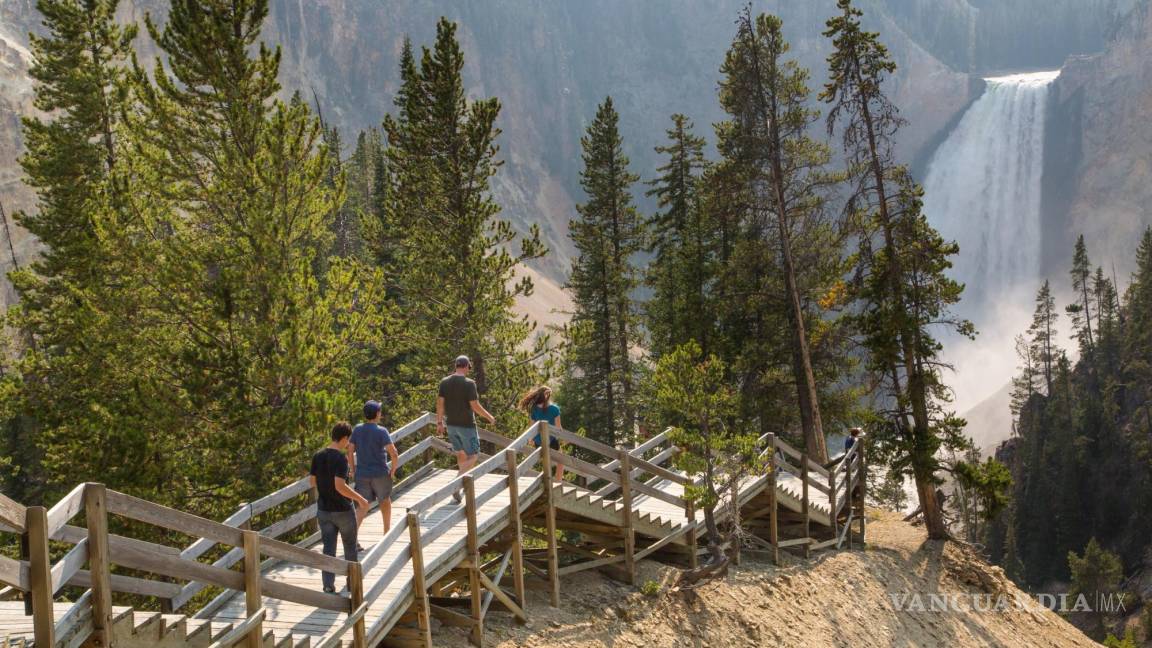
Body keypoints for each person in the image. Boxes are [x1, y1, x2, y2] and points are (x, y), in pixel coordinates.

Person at [309, 422, 370, 593]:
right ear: (344, 438)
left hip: (323, 510)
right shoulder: (340, 458)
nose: (348, 443)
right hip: (342, 510)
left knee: (328, 549)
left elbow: (312, 482)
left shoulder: (318, 456)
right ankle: (353, 583)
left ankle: (328, 585)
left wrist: (325, 481)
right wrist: (360, 499)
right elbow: (340, 486)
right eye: (348, 440)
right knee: (350, 547)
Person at [437, 355, 496, 503]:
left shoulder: (444, 382)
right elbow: (474, 406)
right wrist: (489, 417)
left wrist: (439, 422)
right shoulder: (469, 384)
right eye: (469, 368)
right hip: (467, 425)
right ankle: (455, 484)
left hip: (450, 424)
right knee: (474, 455)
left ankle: (463, 483)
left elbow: (440, 403)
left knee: (460, 454)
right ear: (466, 366)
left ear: (456, 366)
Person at [349, 400, 399, 535]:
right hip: (380, 473)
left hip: (362, 474)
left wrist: (352, 469)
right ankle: (386, 531)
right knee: (385, 500)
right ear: (377, 414)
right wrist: (393, 470)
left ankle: (352, 537)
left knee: (362, 505)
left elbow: (350, 450)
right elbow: (393, 453)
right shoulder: (382, 431)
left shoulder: (357, 429)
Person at [519, 385, 564, 481]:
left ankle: (546, 482)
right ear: (548, 396)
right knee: (561, 460)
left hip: (538, 441)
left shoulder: (534, 409)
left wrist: (531, 440)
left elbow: (531, 428)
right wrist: (564, 439)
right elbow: (558, 429)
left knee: (545, 462)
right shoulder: (555, 409)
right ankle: (557, 483)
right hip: (551, 440)